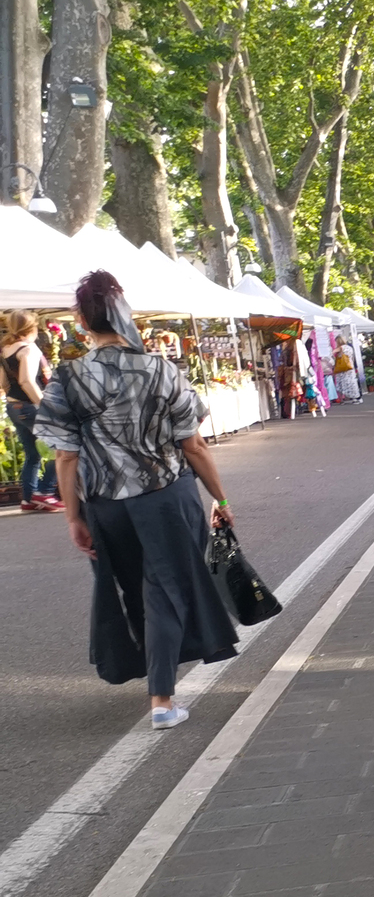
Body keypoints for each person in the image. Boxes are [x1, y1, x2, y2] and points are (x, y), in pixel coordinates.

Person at [37, 271, 239, 730]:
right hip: (166, 497)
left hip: (107, 504)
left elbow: (65, 456)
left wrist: (73, 518)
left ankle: (154, 682)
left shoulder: (67, 378)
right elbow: (194, 445)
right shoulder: (161, 369)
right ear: (125, 313)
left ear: (79, 320)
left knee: (133, 590)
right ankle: (162, 701)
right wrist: (220, 497)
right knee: (165, 590)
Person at [1, 310, 64, 512]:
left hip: (13, 406)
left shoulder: (5, 349)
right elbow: (26, 380)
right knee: (62, 446)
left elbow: (4, 382)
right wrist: (44, 405)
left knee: (32, 454)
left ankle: (28, 499)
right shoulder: (29, 349)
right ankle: (45, 492)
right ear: (32, 327)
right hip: (31, 405)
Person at [333, 334, 362, 403]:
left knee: (342, 383)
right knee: (352, 383)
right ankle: (356, 397)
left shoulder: (341, 348)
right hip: (350, 367)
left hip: (343, 369)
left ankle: (344, 398)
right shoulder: (349, 348)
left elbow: (332, 352)